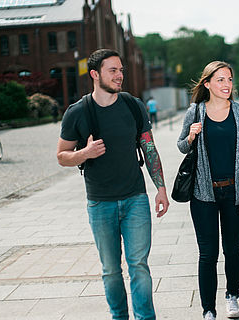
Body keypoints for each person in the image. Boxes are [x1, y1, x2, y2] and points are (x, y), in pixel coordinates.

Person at [57, 49, 169, 320]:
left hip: (135, 199)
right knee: (110, 269)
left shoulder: (133, 105)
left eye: (121, 70)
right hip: (100, 203)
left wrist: (161, 189)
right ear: (95, 74)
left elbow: (149, 147)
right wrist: (84, 153)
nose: (120, 75)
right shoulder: (77, 112)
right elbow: (62, 156)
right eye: (113, 70)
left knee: (139, 266)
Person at [177, 61, 239, 320]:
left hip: (234, 193)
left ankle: (232, 296)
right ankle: (208, 309)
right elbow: (181, 146)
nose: (226, 85)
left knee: (232, 249)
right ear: (207, 83)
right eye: (220, 80)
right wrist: (190, 137)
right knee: (207, 253)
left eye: (229, 79)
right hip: (203, 195)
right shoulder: (195, 112)